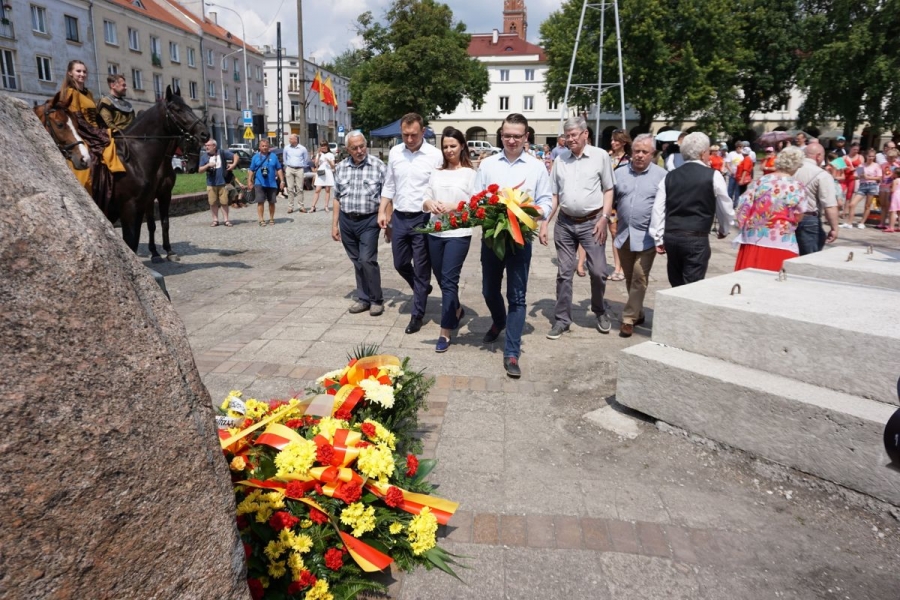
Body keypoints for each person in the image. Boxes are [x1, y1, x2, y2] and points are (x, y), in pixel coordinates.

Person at [478, 113, 552, 377]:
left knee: (517, 297)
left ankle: (511, 352)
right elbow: (477, 197)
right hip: (492, 238)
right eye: (507, 135)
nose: (511, 140)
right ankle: (499, 321)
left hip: (521, 239)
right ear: (501, 135)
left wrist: (532, 212)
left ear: (526, 137)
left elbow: (546, 201)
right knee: (489, 290)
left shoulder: (536, 167)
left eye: (517, 136)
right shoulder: (487, 165)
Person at [539, 115, 615, 340]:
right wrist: (545, 222)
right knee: (564, 273)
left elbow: (609, 189)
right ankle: (562, 319)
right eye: (567, 136)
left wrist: (604, 218)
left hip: (593, 223)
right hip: (565, 223)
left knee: (599, 271)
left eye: (574, 135)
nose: (570, 139)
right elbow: (554, 196)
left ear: (585, 134)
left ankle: (599, 310)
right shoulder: (560, 160)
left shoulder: (600, 156)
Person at [378, 113, 443, 335]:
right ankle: (421, 288)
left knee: (422, 267)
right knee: (400, 263)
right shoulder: (395, 152)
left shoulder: (434, 155)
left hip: (423, 218)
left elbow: (439, 186)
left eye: (414, 134)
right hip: (399, 216)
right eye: (405, 135)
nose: (409, 139)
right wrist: (382, 211)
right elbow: (389, 184)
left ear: (423, 132)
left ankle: (417, 314)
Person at [649, 132, 734, 287]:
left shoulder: (670, 176)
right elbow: (725, 206)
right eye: (708, 152)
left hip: (672, 236)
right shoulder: (713, 175)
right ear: (702, 153)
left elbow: (658, 208)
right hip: (696, 236)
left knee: (676, 282)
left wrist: (658, 237)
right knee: (691, 285)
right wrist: (724, 228)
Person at [422, 127, 477, 352]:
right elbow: (425, 198)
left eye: (453, 146)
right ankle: (456, 309)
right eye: (445, 146)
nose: (449, 150)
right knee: (441, 278)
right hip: (435, 230)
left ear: (462, 146)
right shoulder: (436, 172)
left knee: (449, 280)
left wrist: (455, 206)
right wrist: (430, 204)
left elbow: (476, 205)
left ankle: (445, 332)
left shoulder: (471, 174)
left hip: (458, 232)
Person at [612, 134, 667, 337]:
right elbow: (610, 200)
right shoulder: (619, 173)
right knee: (630, 277)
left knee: (639, 277)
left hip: (647, 237)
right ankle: (639, 312)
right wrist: (611, 220)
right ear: (631, 152)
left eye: (645, 152)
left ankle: (628, 319)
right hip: (624, 234)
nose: (640, 155)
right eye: (637, 151)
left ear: (652, 154)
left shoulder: (662, 176)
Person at [332, 131, 387, 316]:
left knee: (367, 259)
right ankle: (363, 298)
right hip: (347, 220)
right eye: (354, 148)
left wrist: (388, 223)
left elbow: (387, 196)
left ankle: (376, 299)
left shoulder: (378, 166)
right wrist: (334, 225)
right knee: (357, 261)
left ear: (366, 145)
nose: (359, 150)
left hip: (369, 220)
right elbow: (337, 198)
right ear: (348, 149)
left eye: (362, 146)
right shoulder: (341, 167)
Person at [59, 60, 125, 201]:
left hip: (93, 131)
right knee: (89, 157)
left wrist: (106, 129)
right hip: (81, 133)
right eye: (78, 71)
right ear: (70, 73)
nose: (82, 74)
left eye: (84, 71)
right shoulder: (69, 93)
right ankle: (86, 194)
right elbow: (78, 120)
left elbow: (96, 116)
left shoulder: (88, 93)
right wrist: (98, 134)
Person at [733, 146, 805, 271]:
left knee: (749, 275)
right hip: (780, 238)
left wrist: (743, 224)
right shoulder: (797, 185)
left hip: (753, 235)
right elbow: (799, 214)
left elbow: (743, 204)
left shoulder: (762, 180)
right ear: (795, 166)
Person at [792, 143, 840, 255]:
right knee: (808, 257)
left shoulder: (790, 170)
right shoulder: (822, 175)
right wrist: (834, 228)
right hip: (808, 219)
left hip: (788, 218)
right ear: (818, 156)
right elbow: (830, 205)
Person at [605, 128, 632, 282]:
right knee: (613, 233)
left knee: (621, 234)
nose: (613, 142)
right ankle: (617, 267)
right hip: (610, 201)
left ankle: (623, 267)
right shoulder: (607, 158)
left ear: (623, 142)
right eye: (612, 140)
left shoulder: (629, 160)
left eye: (616, 140)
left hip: (623, 201)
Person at [198, 139, 238, 227]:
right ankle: (215, 220)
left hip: (223, 183)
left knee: (224, 202)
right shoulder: (204, 157)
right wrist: (208, 165)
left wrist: (233, 165)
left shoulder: (222, 153)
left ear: (214, 146)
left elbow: (235, 156)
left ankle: (226, 220)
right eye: (205, 145)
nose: (206, 147)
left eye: (208, 145)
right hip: (211, 184)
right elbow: (200, 170)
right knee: (212, 203)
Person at [248, 140, 284, 226]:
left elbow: (279, 169)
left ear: (269, 147)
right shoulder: (255, 157)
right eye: (263, 146)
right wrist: (249, 181)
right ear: (259, 147)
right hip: (259, 182)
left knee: (272, 202)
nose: (264, 147)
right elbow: (251, 170)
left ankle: (271, 218)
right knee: (260, 201)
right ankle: (261, 219)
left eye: (266, 146)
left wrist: (282, 181)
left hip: (271, 183)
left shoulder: (274, 156)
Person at [845, 148, 879, 229]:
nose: (871, 158)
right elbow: (856, 176)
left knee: (867, 206)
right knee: (852, 204)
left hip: (872, 185)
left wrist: (869, 177)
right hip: (862, 186)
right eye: (869, 156)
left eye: (873, 156)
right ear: (866, 156)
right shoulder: (861, 165)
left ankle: (862, 222)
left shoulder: (876, 166)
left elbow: (879, 178)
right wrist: (860, 176)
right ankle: (849, 223)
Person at [283, 134, 310, 214]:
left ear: (296, 139)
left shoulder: (302, 148)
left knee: (300, 188)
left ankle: (301, 206)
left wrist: (301, 165)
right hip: (290, 168)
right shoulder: (286, 148)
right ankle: (290, 207)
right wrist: (287, 165)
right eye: (289, 139)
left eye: (291, 139)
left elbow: (306, 159)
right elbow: (285, 158)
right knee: (290, 188)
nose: (289, 140)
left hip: (299, 169)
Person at [310, 141, 335, 212]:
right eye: (321, 146)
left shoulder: (330, 154)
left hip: (328, 172)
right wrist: (318, 155)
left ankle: (326, 206)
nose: (323, 147)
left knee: (327, 190)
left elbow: (333, 166)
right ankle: (313, 206)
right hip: (321, 172)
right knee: (317, 190)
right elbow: (316, 164)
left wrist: (329, 161)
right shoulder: (319, 154)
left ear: (327, 146)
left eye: (324, 146)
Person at [887, 165, 900, 232]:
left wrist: (890, 188)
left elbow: (893, 190)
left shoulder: (895, 181)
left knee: (893, 212)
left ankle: (891, 227)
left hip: (895, 196)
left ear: (896, 174)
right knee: (899, 212)